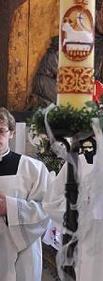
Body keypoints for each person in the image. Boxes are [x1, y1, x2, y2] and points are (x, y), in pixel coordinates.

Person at [0, 108, 51, 281]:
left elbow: (46, 210)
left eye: (1, 131)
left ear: (12, 133)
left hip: (24, 254)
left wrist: (10, 208)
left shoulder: (32, 169)